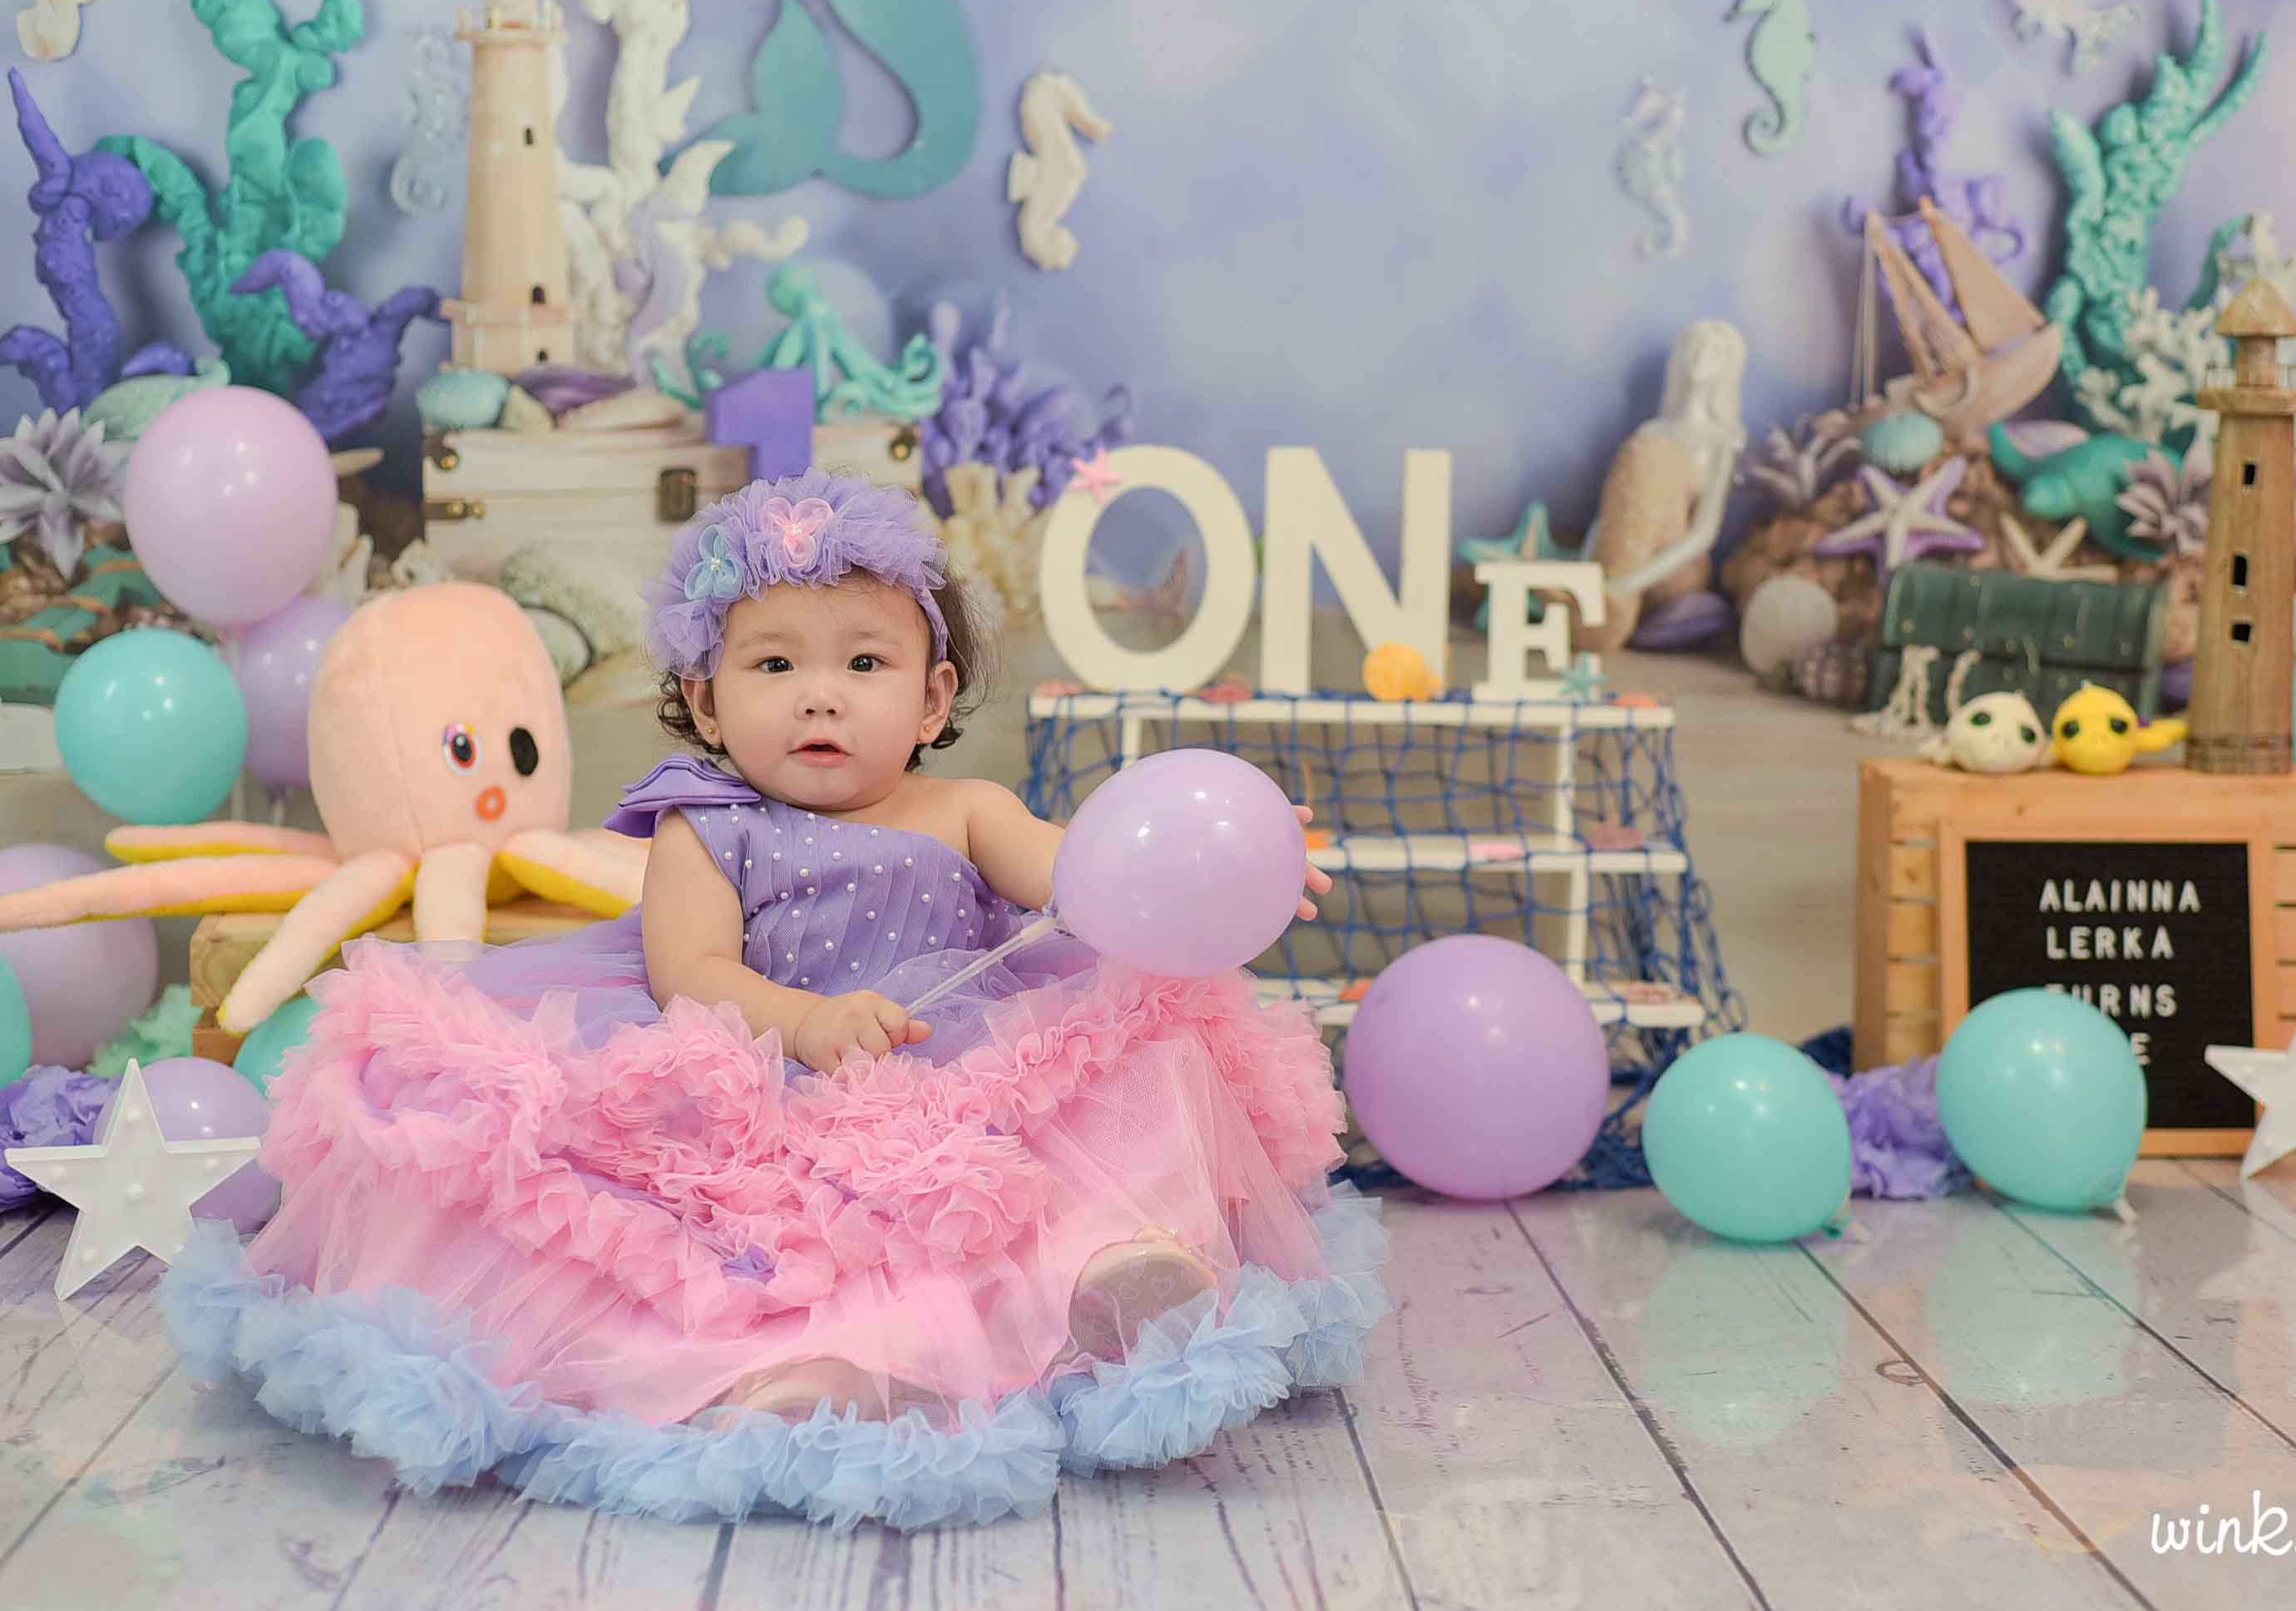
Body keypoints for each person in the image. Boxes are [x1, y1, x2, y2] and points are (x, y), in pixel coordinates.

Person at [163, 471, 1388, 1529]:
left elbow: (1087, 878)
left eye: (864, 663)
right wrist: (804, 1024)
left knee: (1137, 1063)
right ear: (707, 701)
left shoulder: (967, 810)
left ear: (931, 697)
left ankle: (1108, 1270)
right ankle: (835, 1372)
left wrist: (1211, 862)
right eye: (773, 664)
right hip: (764, 1072)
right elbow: (689, 974)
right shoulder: (708, 826)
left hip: (953, 1063)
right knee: (765, 1236)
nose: (819, 695)